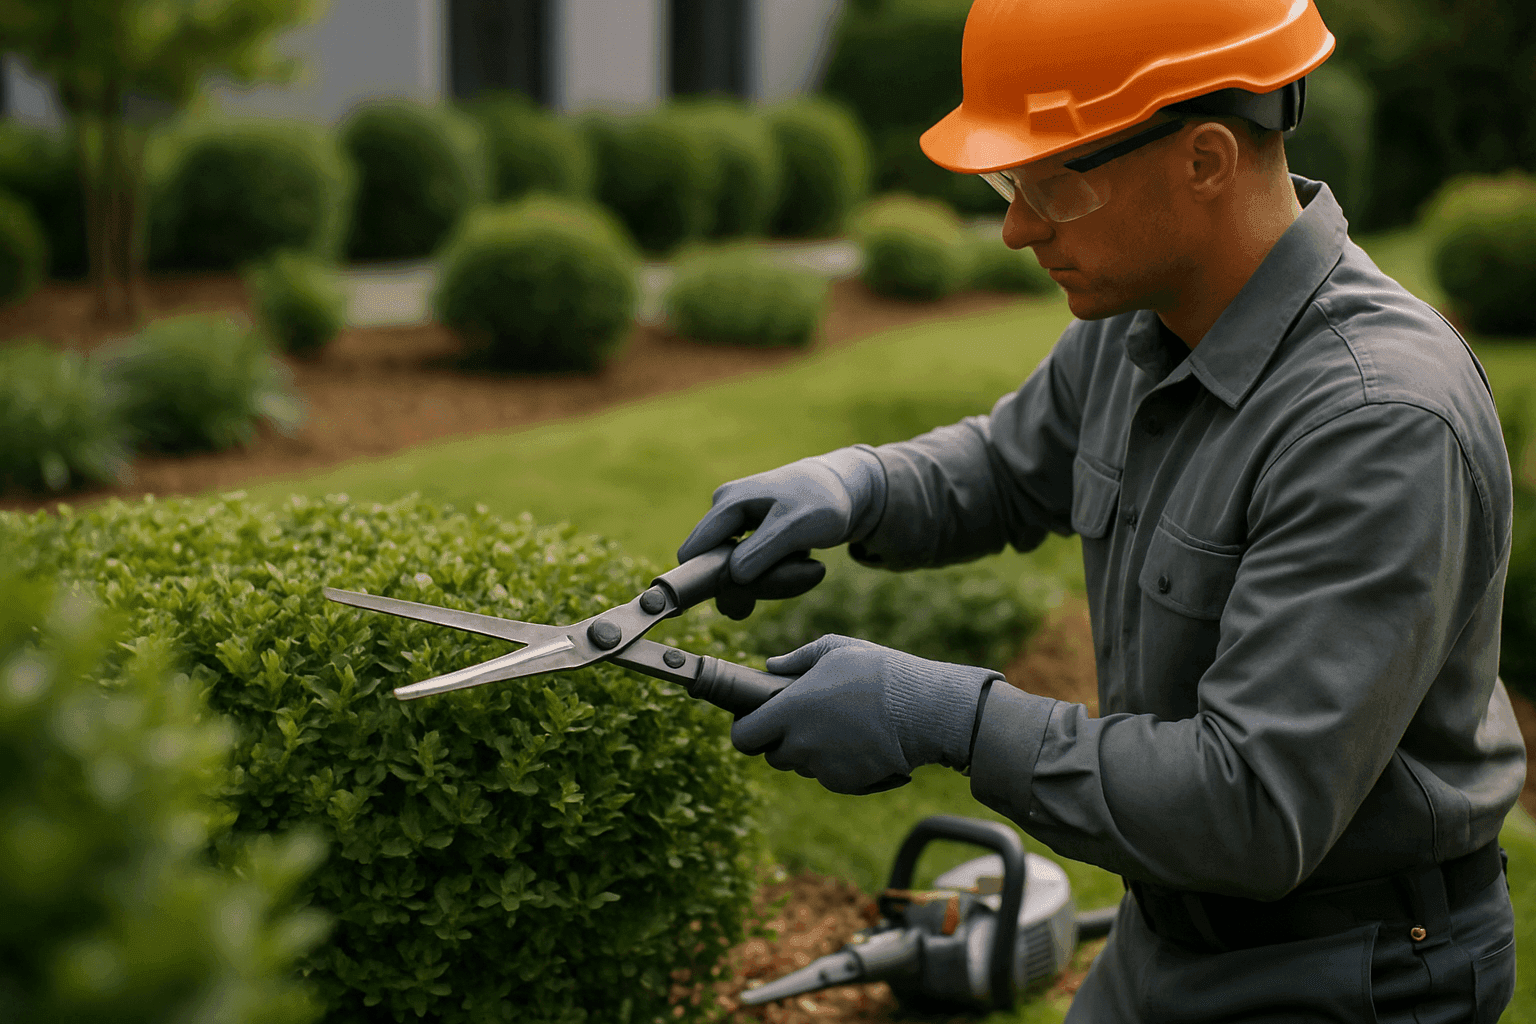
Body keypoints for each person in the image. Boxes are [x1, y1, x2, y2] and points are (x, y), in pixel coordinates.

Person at [676, 1, 1527, 1020]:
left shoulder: (1375, 421)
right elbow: (1008, 463)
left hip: (1350, 968)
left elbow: (1251, 805)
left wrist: (950, 717)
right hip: (1164, 927)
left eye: (1051, 184)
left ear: (1205, 160)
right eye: (1010, 184)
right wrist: (852, 486)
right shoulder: (1147, 316)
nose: (1017, 228)